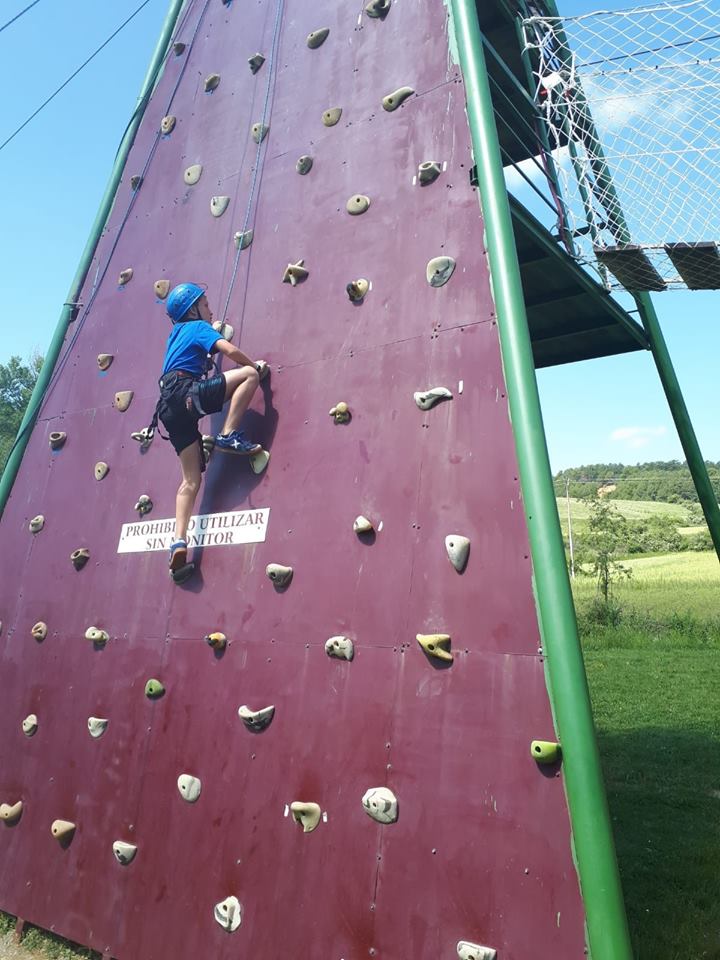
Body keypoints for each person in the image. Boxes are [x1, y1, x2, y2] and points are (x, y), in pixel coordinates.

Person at [154, 282, 265, 572]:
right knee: (248, 376)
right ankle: (228, 434)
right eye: (204, 303)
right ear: (192, 309)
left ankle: (178, 541)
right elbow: (228, 349)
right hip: (188, 394)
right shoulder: (197, 328)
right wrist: (254, 364)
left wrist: (211, 329)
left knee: (190, 480)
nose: (210, 307)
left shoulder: (176, 335)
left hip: (168, 408)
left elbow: (196, 356)